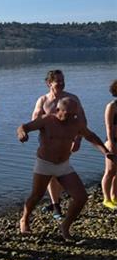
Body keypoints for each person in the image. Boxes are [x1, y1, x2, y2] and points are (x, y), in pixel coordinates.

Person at [18, 97, 115, 239]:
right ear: (58, 110)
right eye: (67, 114)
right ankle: (24, 219)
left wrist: (106, 152)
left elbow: (91, 136)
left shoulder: (76, 124)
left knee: (81, 197)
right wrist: (21, 133)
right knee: (36, 195)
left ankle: (65, 226)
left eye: (73, 114)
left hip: (63, 165)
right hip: (45, 163)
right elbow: (24, 127)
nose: (71, 117)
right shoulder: (46, 120)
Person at [32, 70, 87, 219]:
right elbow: (35, 120)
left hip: (66, 141)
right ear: (49, 83)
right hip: (47, 142)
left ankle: (55, 201)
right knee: (51, 174)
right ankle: (56, 205)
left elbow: (82, 120)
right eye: (58, 81)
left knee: (60, 172)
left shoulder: (71, 99)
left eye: (63, 80)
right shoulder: (43, 100)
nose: (62, 83)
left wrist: (78, 139)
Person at [102, 80, 117, 210]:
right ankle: (106, 199)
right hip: (112, 141)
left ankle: (114, 196)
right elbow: (108, 126)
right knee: (110, 171)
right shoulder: (112, 106)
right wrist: (111, 143)